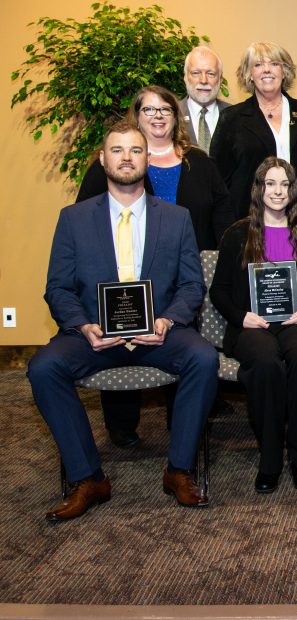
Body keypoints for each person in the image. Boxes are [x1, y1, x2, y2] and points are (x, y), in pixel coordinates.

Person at [28, 120, 218, 522]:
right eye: (117, 150)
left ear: (148, 160)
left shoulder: (176, 217)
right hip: (94, 335)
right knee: (44, 368)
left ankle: (178, 470)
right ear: (103, 159)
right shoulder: (73, 219)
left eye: (136, 150)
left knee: (203, 359)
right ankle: (88, 477)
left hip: (159, 333)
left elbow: (191, 286)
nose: (127, 158)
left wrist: (168, 320)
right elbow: (57, 288)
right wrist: (83, 326)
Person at [77, 85, 234, 448]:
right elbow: (86, 215)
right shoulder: (117, 162)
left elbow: (223, 213)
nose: (158, 115)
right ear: (137, 115)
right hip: (123, 274)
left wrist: (218, 261)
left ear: (175, 116)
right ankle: (121, 426)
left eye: (165, 108)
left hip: (183, 274)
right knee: (119, 343)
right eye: (148, 110)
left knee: (182, 343)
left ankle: (182, 426)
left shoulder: (199, 161)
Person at [210, 158, 297, 494]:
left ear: (293, 190)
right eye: (271, 184)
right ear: (259, 188)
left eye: (285, 184)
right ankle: (271, 459)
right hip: (253, 325)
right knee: (265, 365)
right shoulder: (238, 234)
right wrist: (241, 316)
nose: (278, 192)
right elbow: (218, 291)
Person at [211, 41, 297, 233]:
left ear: (284, 71)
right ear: (249, 74)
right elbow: (219, 183)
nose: (267, 70)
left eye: (274, 64)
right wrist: (230, 233)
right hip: (251, 229)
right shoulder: (232, 119)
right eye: (258, 65)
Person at [181, 46, 231, 152]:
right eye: (196, 73)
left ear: (220, 79)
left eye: (210, 74)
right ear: (185, 77)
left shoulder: (235, 116)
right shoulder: (171, 114)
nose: (203, 80)